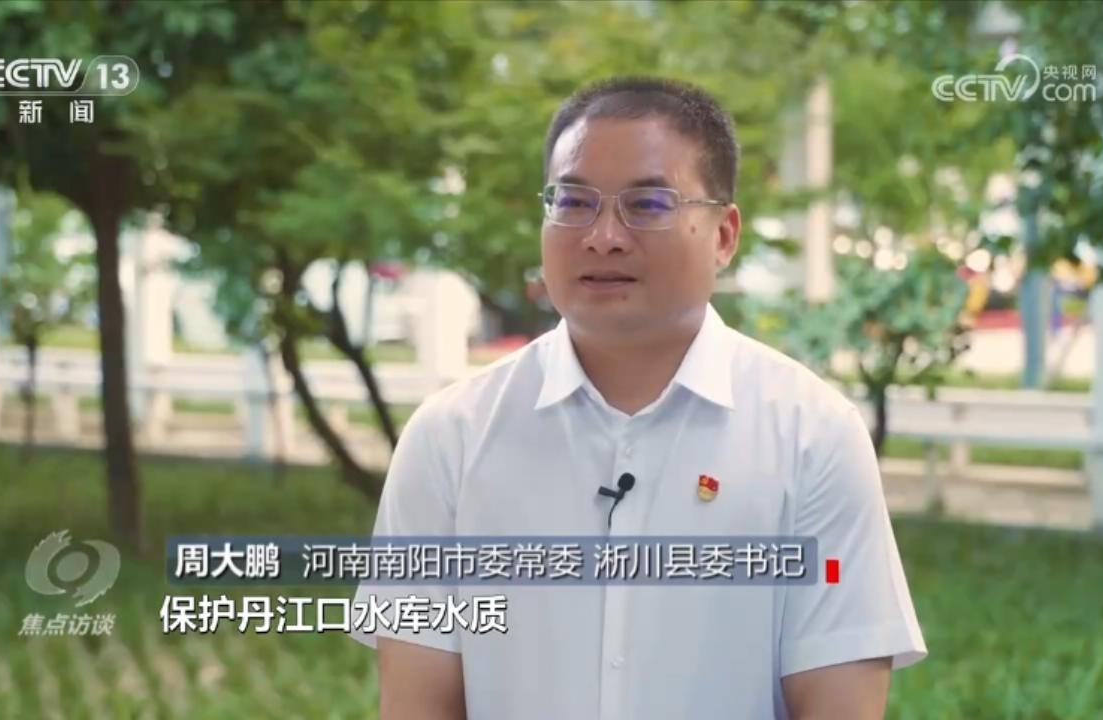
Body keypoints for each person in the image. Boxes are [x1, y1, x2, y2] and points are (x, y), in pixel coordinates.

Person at [349, 75, 927, 719]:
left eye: (648, 205)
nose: (603, 236)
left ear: (724, 235)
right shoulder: (449, 438)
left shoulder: (813, 438)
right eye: (573, 202)